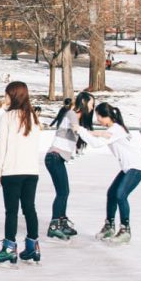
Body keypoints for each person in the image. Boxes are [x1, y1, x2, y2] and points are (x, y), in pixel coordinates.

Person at [76, 103, 141, 244]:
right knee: (111, 193)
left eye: (98, 116)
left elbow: (97, 143)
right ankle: (109, 226)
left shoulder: (116, 129)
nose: (97, 119)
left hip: (138, 166)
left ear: (107, 116)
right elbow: (103, 134)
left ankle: (125, 230)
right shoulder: (114, 128)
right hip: (129, 167)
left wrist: (80, 130)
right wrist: (90, 132)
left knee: (120, 195)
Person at [0, 81, 42, 265]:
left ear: (13, 96)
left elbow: (1, 146)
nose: (4, 98)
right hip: (31, 171)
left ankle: (9, 248)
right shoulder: (34, 117)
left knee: (11, 211)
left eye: (6, 94)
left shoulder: (8, 117)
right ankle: (32, 246)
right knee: (30, 208)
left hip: (12, 171)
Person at [44, 92, 94, 242]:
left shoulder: (76, 117)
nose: (92, 107)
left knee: (64, 191)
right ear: (84, 103)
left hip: (57, 158)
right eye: (91, 104)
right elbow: (76, 129)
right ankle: (54, 226)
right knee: (63, 192)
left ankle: (62, 221)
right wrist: (101, 135)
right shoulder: (72, 114)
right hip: (54, 157)